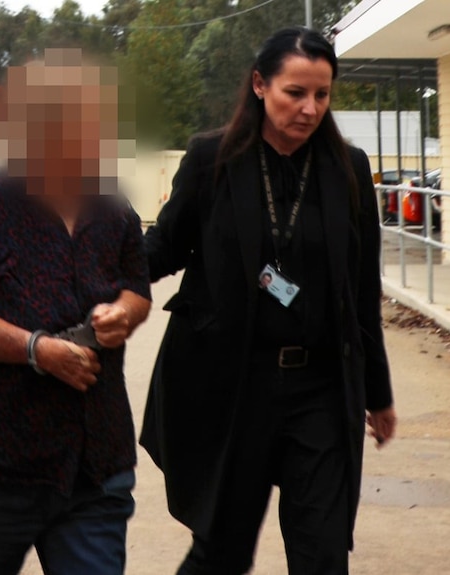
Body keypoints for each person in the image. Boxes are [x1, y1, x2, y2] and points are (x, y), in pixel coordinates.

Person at [140, 27, 396, 575]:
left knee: (323, 555)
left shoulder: (347, 170)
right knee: (222, 553)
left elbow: (362, 292)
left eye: (322, 96)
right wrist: (97, 275)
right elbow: (163, 247)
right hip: (235, 385)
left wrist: (377, 392)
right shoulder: (214, 159)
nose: (309, 109)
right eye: (294, 93)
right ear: (260, 84)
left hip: (321, 392)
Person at [0, 49, 152, 575]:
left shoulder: (112, 208)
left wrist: (123, 313)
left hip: (96, 464)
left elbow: (137, 288)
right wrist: (36, 350)